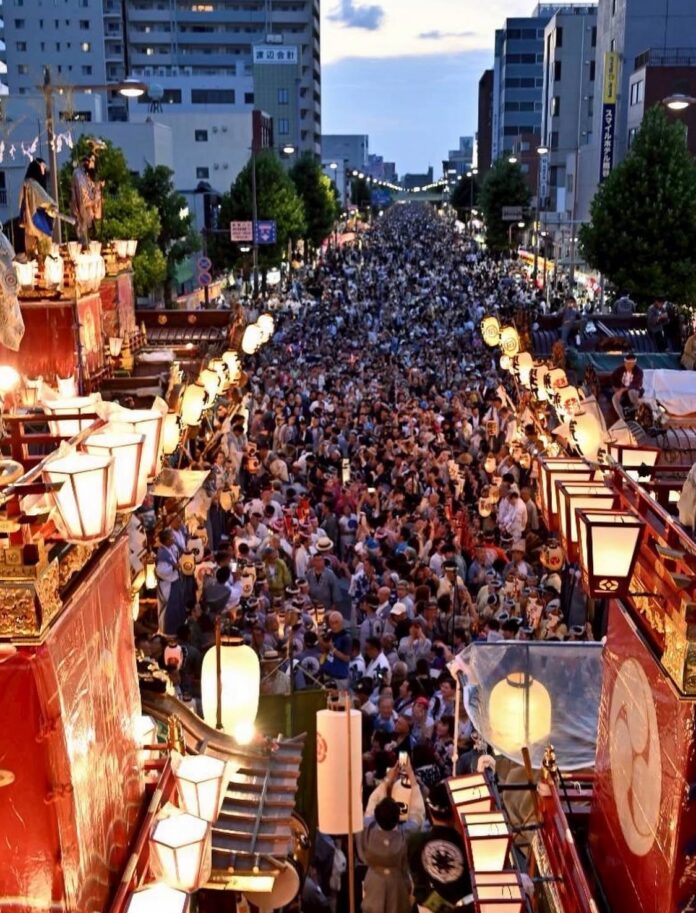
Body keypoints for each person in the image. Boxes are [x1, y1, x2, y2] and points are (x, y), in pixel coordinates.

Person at [357, 760, 424, 913]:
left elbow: (372, 801)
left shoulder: (367, 828)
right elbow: (417, 813)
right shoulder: (407, 835)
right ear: (397, 816)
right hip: (398, 887)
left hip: (373, 884)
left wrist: (387, 780)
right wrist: (412, 777)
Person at [19, 158, 59, 260]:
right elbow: (45, 200)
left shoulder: (25, 182)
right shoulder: (33, 184)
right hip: (36, 219)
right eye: (43, 167)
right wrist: (52, 206)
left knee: (30, 251)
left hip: (27, 221)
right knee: (45, 241)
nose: (44, 171)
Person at [70, 151, 103, 247]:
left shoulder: (87, 174)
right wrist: (96, 196)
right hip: (82, 216)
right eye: (92, 161)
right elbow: (83, 201)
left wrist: (98, 187)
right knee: (84, 243)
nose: (94, 164)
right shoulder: (79, 175)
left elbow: (93, 190)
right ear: (87, 162)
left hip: (89, 215)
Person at [319, 610, 352, 688]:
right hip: (328, 673)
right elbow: (325, 650)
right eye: (331, 623)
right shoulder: (331, 634)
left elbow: (347, 658)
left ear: (341, 623)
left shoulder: (346, 638)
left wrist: (333, 649)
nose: (334, 625)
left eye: (336, 622)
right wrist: (320, 639)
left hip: (339, 677)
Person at [610, 352, 644, 420]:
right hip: (622, 391)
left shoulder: (639, 372)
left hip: (635, 390)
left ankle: (637, 408)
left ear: (634, 364)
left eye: (630, 364)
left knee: (631, 392)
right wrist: (617, 390)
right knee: (614, 398)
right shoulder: (620, 370)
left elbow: (634, 385)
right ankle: (622, 418)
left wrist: (622, 390)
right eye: (627, 363)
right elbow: (613, 378)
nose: (628, 366)